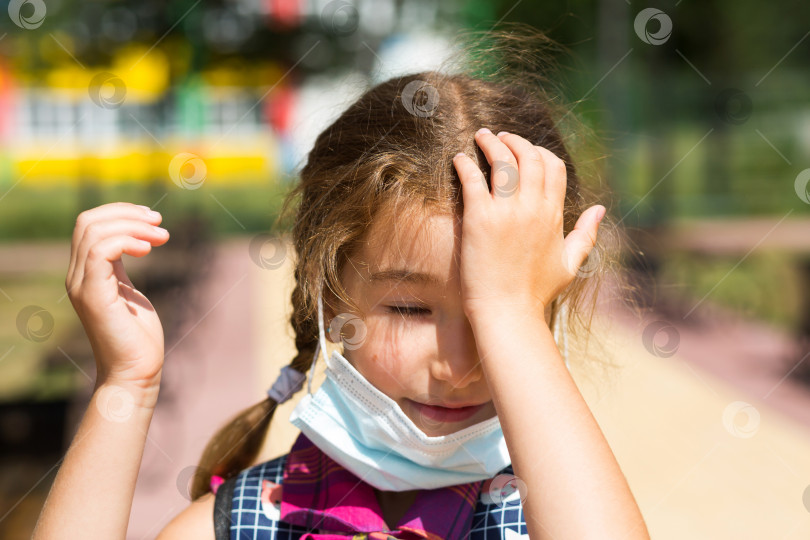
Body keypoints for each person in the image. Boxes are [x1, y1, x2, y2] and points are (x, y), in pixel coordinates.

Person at [32, 25, 650, 540]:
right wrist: (128, 385)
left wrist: (511, 315)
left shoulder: (562, 512)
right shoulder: (250, 523)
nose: (459, 365)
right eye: (411, 308)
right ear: (329, 294)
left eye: (500, 316)